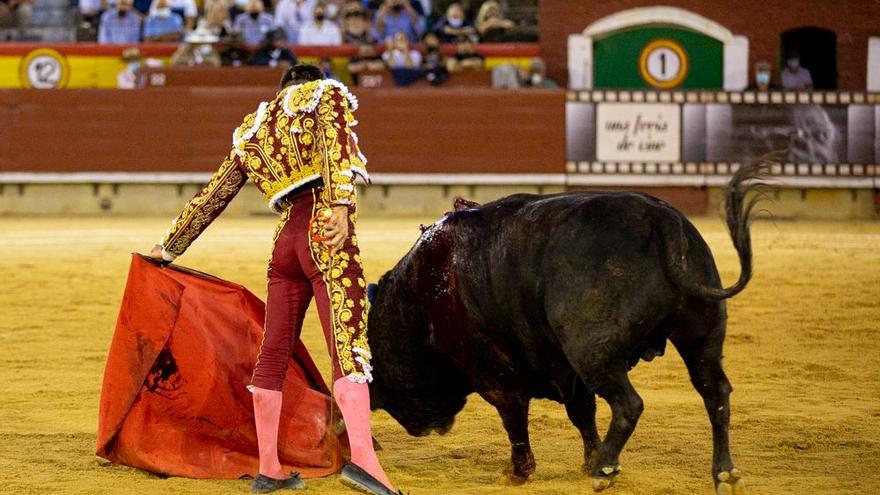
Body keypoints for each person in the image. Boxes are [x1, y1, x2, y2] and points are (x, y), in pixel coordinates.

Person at [146, 63, 400, 495]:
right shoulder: (324, 95)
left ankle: (269, 468)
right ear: (311, 83)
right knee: (348, 343)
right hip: (324, 229)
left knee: (274, 353)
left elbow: (213, 195)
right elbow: (338, 148)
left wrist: (168, 247)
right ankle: (365, 462)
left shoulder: (253, 130)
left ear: (281, 89)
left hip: (285, 243)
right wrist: (338, 204)